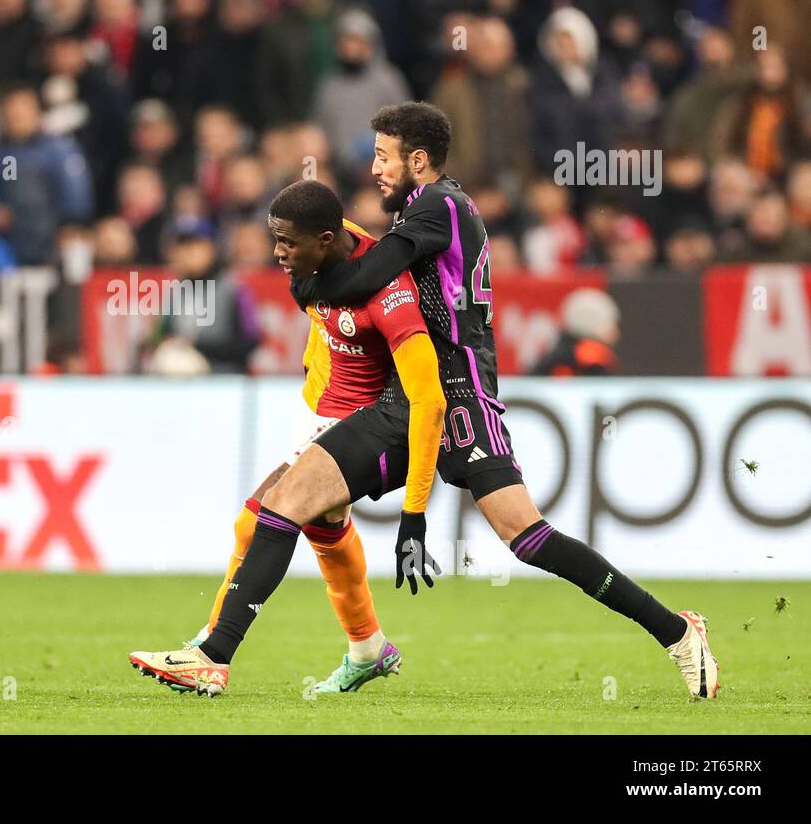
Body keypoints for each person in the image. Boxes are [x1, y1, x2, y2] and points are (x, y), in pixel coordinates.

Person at [163, 102, 715, 699]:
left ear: (417, 161)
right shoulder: (432, 210)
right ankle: (216, 656)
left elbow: (359, 278)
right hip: (405, 402)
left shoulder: (439, 206)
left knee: (528, 538)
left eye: (383, 155)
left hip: (461, 397)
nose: (374, 168)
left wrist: (413, 519)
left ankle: (676, 631)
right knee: (285, 502)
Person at [129, 181, 446, 696]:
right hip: (319, 408)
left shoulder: (390, 295)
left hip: (361, 424)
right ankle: (367, 648)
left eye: (287, 243)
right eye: (274, 239)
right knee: (319, 529)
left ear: (326, 238)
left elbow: (428, 399)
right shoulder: (317, 261)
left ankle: (211, 650)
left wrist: (415, 510)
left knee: (263, 518)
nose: (277, 253)